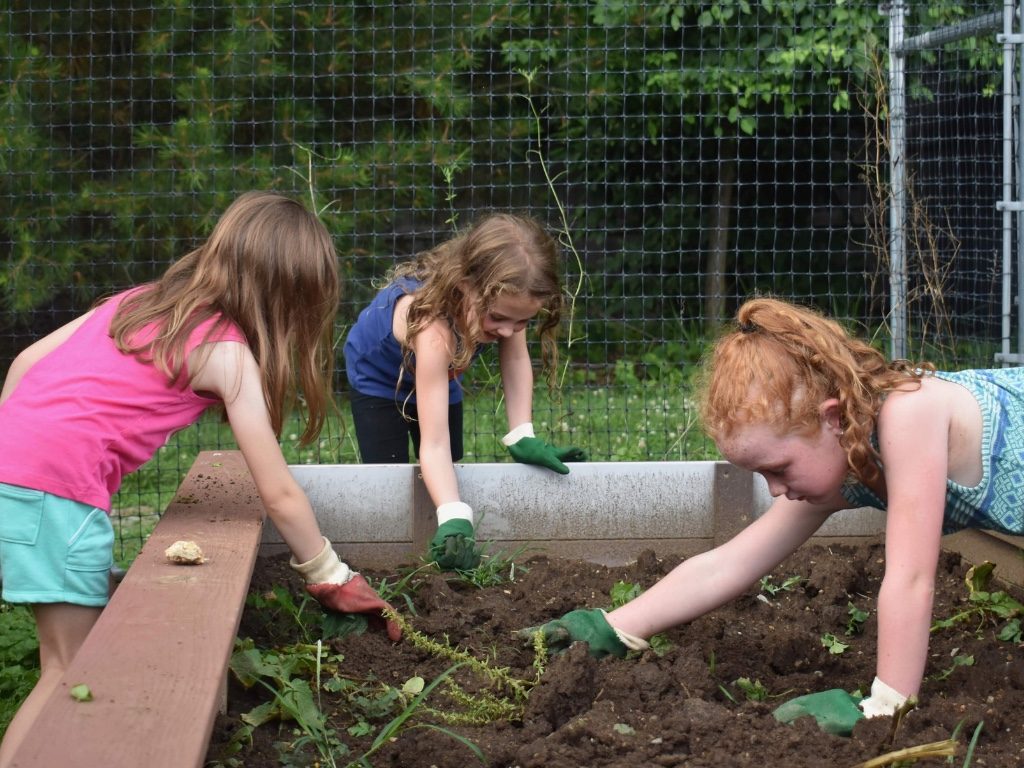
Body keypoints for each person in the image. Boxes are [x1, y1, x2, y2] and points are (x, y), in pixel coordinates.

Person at [0, 191, 400, 767]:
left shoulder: (137, 304)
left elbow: (23, 366)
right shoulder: (227, 352)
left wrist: (16, 467)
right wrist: (329, 573)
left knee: (65, 662)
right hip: (53, 493)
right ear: (289, 298)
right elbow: (279, 491)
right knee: (69, 673)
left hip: (24, 479)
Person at [524, 295, 1024, 733]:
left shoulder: (908, 416)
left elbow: (912, 577)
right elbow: (730, 562)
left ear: (832, 418)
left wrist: (889, 703)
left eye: (778, 468)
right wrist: (613, 626)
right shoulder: (847, 454)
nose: (775, 488)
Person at [343, 213, 585, 571]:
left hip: (444, 371)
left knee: (446, 467)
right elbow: (433, 442)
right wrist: (457, 514)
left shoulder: (505, 300)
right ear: (468, 287)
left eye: (522, 322)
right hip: (378, 378)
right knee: (388, 475)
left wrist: (522, 432)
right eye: (499, 319)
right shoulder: (432, 329)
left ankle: (440, 541)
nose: (509, 331)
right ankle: (394, 564)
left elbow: (516, 361)